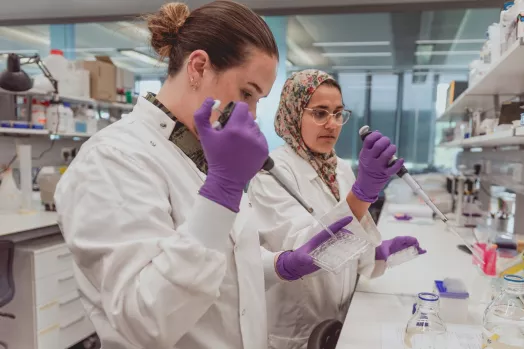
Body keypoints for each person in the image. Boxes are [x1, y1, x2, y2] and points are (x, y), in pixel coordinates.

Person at [54, 3, 352, 349]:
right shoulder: (113, 159)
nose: (252, 114)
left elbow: (221, 264)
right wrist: (222, 191)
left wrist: (280, 265)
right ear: (198, 67)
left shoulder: (200, 153)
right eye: (246, 93)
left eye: (258, 99)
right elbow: (145, 318)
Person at [247, 69, 427, 349]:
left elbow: (350, 246)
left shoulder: (339, 169)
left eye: (338, 113)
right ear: (294, 114)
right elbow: (303, 248)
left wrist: (376, 253)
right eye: (319, 113)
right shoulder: (271, 172)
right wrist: (362, 194)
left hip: (339, 318)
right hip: (295, 329)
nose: (332, 124)